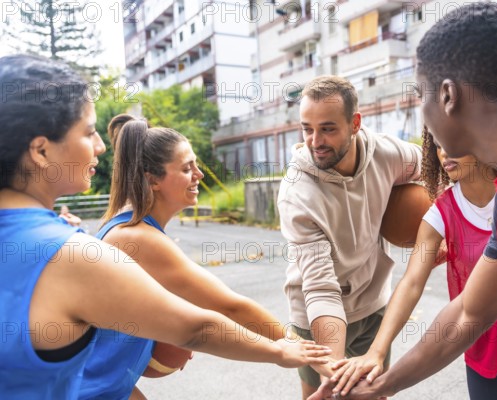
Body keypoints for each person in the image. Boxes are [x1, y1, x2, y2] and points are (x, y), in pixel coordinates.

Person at [308, 3, 497, 399]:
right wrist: (379, 387)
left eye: (419, 96)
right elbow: (471, 312)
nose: (422, 116)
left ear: (447, 95)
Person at [0, 54, 331, 399]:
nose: (99, 145)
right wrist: (285, 350)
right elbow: (204, 323)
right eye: (88, 132)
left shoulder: (60, 239)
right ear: (40, 151)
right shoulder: (79, 252)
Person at [79, 114, 330, 400]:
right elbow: (229, 307)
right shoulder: (137, 238)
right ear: (153, 180)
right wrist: (303, 352)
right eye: (187, 168)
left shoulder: (126, 227)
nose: (199, 174)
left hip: (104, 389)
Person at [327, 126, 497, 400]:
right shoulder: (442, 212)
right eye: (439, 145)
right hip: (482, 334)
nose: (445, 152)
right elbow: (412, 282)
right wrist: (376, 352)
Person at [277, 75, 422, 399]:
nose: (315, 141)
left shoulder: (387, 153)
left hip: (372, 302)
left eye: (327, 128)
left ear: (355, 123)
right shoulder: (297, 194)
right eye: (307, 129)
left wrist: (439, 228)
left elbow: (430, 168)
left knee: (374, 395)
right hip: (316, 308)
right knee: (332, 394)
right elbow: (320, 286)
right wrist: (335, 369)